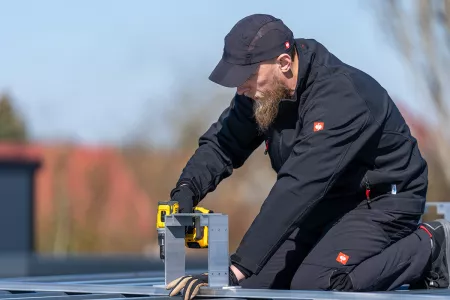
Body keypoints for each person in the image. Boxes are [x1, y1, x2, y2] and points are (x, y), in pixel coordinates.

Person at [164, 13, 450, 299]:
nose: (240, 88)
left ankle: (430, 246)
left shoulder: (340, 97)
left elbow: (298, 186)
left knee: (318, 283)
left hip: (382, 200)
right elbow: (223, 143)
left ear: (284, 63)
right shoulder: (263, 93)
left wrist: (236, 267)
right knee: (249, 287)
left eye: (248, 76)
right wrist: (186, 190)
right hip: (326, 201)